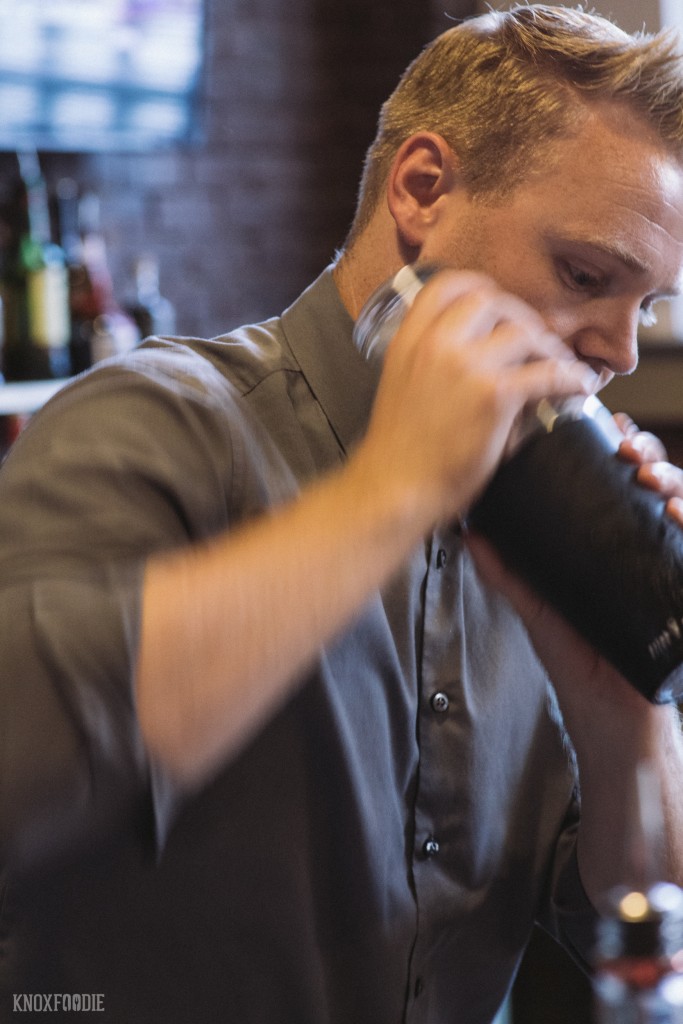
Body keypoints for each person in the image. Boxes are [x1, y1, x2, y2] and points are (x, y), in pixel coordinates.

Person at [2, 4, 683, 1022]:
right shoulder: (151, 424)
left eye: (647, 306)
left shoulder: (541, 513)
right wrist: (389, 496)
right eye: (584, 277)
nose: (620, 352)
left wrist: (620, 708)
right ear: (421, 189)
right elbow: (24, 764)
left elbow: (633, 926)